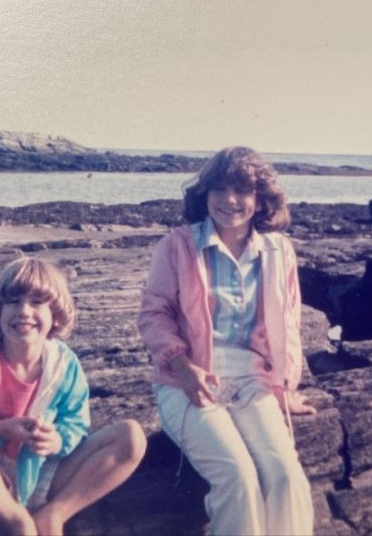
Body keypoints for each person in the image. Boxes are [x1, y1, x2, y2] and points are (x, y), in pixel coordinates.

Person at [138, 146, 316, 536]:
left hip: (255, 382)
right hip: (186, 383)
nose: (230, 200)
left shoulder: (279, 251)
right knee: (238, 479)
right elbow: (154, 315)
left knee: (286, 477)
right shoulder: (178, 246)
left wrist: (284, 387)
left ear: (260, 200)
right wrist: (184, 368)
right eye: (219, 189)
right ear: (205, 194)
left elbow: (289, 320)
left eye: (242, 190)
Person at [0, 257, 147, 536]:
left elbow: (76, 423)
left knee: (131, 436)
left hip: (41, 473)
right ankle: (17, 521)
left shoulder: (64, 364)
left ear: (55, 314)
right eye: (14, 301)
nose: (24, 311)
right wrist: (0, 429)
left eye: (36, 302)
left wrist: (58, 440)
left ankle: (54, 514)